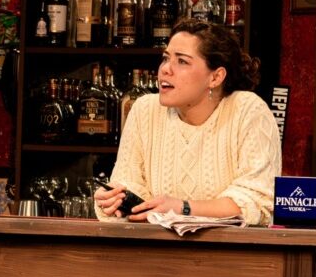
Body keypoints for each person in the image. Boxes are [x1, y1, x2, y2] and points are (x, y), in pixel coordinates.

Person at [94, 19, 281, 226]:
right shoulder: (144, 110)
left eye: (182, 61)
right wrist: (116, 199)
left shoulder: (248, 111)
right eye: (165, 58)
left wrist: (182, 208)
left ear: (216, 77)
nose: (165, 69)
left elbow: (257, 201)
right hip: (156, 251)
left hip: (231, 254)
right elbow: (131, 185)